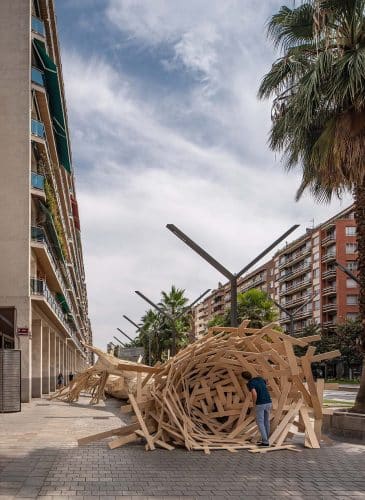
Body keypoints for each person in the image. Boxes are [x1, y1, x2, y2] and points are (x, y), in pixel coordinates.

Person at [242, 371, 272, 447]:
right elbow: (267, 382)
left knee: (260, 422)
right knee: (266, 421)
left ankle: (265, 442)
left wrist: (254, 403)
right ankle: (266, 439)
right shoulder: (260, 379)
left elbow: (254, 393)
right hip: (268, 402)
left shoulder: (250, 383)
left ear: (244, 378)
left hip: (260, 403)